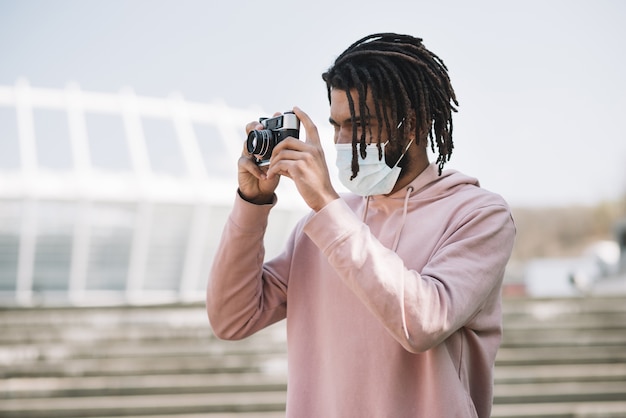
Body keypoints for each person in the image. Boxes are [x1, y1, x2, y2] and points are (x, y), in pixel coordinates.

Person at [207, 33, 516, 418]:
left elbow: (423, 324)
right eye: (336, 126)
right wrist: (252, 204)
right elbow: (231, 318)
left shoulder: (478, 215)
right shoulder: (319, 227)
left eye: (360, 125)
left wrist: (326, 203)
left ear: (413, 124)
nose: (342, 141)